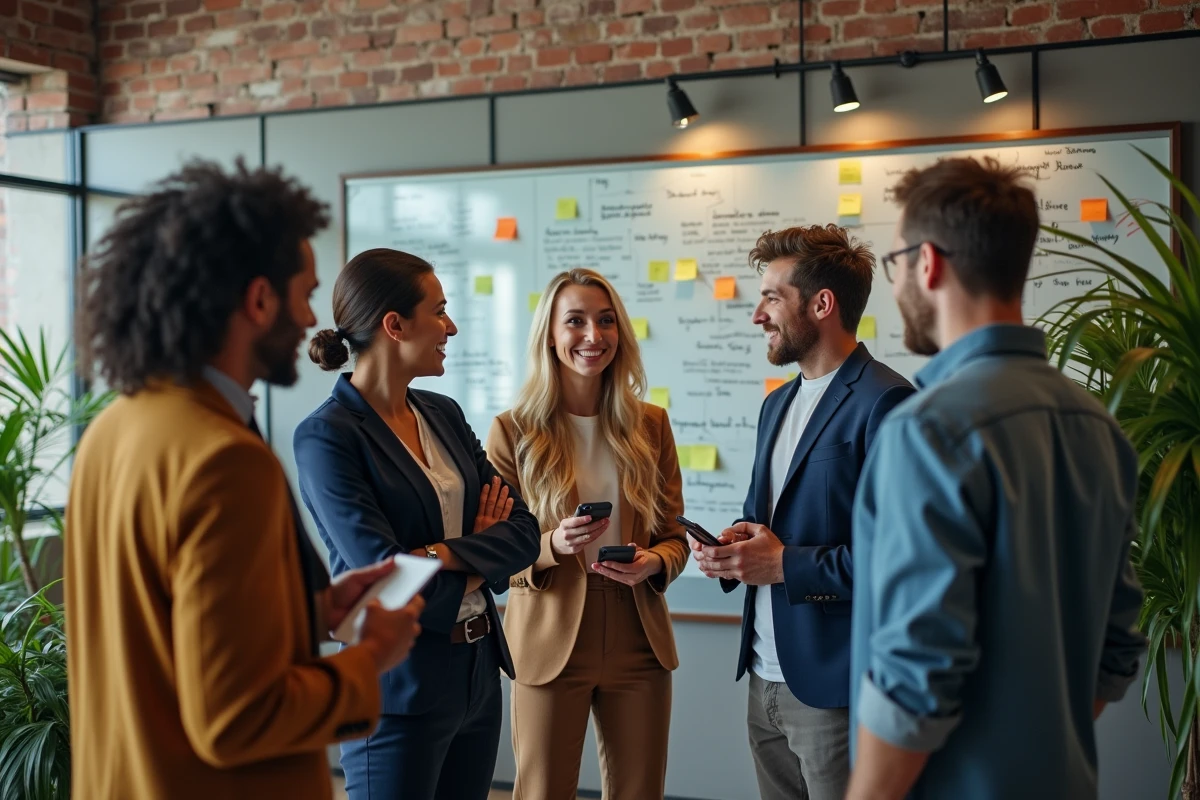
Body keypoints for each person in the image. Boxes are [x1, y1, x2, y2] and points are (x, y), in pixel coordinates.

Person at [65, 160, 423, 800]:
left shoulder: (112, 430)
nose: (315, 314)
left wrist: (307, 610)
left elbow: (161, 635)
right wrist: (372, 660)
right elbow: (236, 717)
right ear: (259, 299)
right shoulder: (225, 461)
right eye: (305, 291)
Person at [845, 157, 1147, 800]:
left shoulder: (926, 432)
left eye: (895, 262)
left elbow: (916, 673)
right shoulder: (1100, 427)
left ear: (927, 262)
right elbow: (1118, 648)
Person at [293, 247, 542, 800]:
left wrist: (438, 554)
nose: (450, 327)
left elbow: (524, 533)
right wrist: (476, 545)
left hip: (479, 670)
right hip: (396, 687)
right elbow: (385, 576)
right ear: (394, 325)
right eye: (440, 310)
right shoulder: (327, 436)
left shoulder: (444, 414)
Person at [690, 225, 914, 800]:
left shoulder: (886, 402)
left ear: (822, 304)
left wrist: (784, 565)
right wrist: (735, 550)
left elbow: (898, 560)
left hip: (836, 685)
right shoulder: (776, 403)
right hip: (762, 674)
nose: (757, 315)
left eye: (771, 297)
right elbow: (770, 526)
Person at [484, 268, 689, 800]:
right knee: (542, 793)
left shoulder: (652, 425)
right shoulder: (513, 431)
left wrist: (655, 562)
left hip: (637, 630)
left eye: (605, 321)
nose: (593, 336)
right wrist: (553, 545)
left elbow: (675, 535)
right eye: (575, 321)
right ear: (550, 334)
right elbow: (493, 555)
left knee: (640, 792)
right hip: (549, 633)